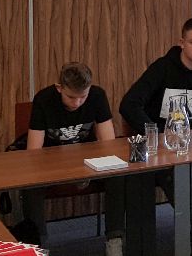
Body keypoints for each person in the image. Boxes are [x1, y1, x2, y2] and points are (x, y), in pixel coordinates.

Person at [120, 17, 192, 239]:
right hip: (163, 148)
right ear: (181, 43)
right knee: (173, 169)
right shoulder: (163, 67)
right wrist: (157, 133)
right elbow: (129, 104)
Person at [21, 62, 116, 245]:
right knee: (31, 185)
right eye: (71, 97)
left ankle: (115, 238)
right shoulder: (43, 99)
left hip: (88, 163)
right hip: (50, 165)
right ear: (59, 88)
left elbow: (109, 144)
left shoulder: (97, 95)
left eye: (83, 97)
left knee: (117, 177)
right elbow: (33, 153)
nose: (77, 103)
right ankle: (39, 244)